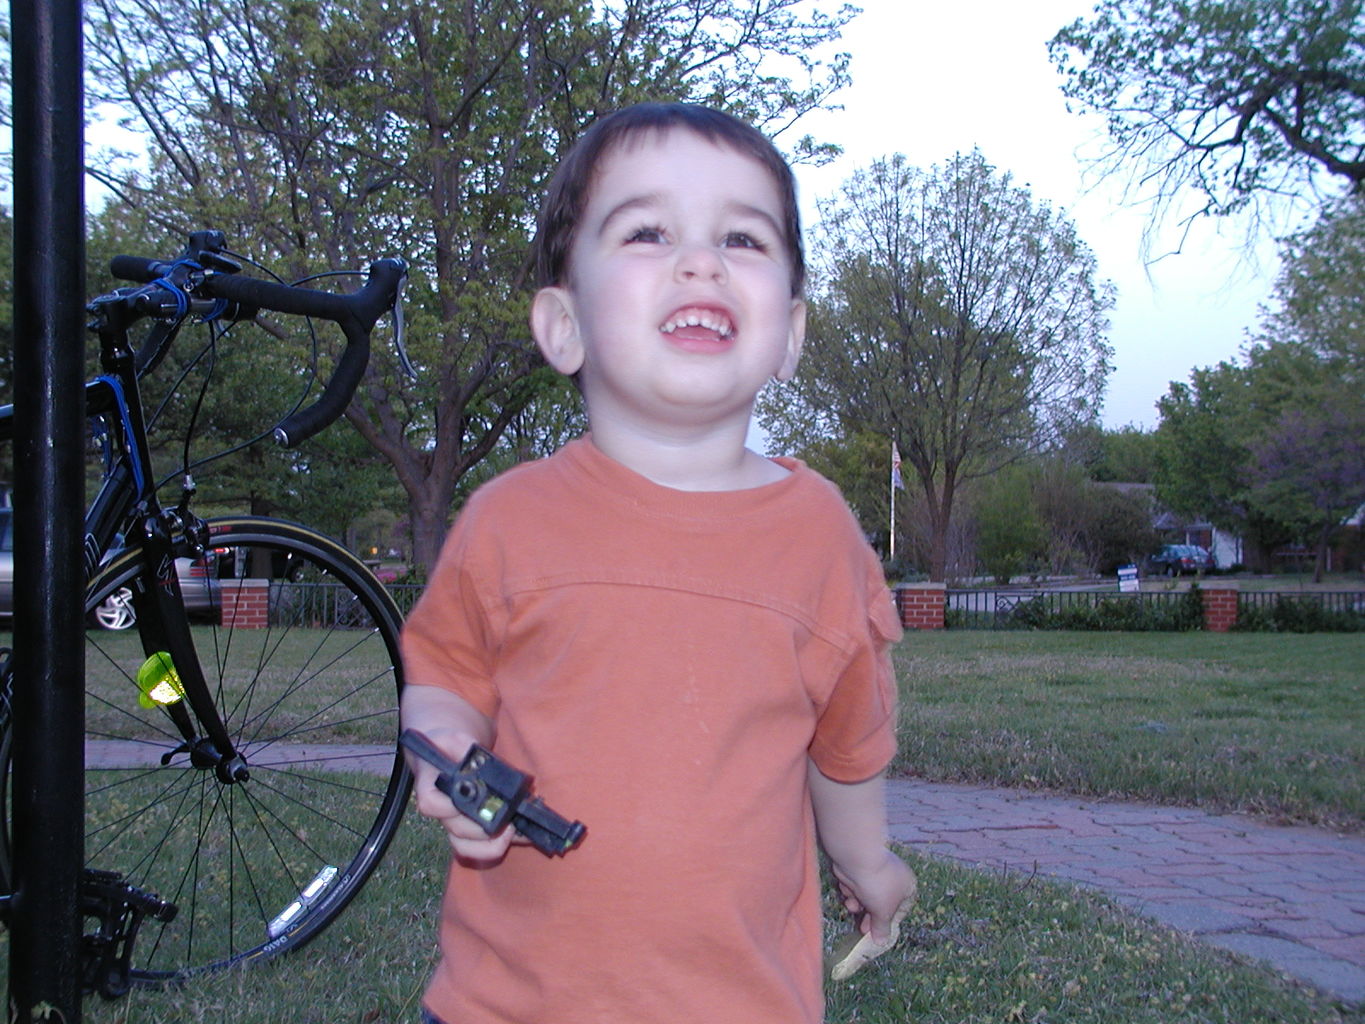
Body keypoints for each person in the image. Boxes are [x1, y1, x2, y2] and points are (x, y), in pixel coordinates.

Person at [400, 101, 916, 1024]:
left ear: (790, 333)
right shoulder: (508, 521)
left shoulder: (822, 536)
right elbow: (444, 678)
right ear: (563, 326)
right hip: (503, 1003)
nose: (700, 261)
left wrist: (867, 862)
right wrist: (446, 759)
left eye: (743, 240)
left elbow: (847, 750)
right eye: (646, 231)